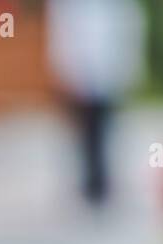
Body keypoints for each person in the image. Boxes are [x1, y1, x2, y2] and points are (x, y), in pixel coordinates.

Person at [45, 0, 147, 205]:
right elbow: (63, 35)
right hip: (82, 77)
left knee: (107, 131)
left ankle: (102, 182)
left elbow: (128, 32)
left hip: (107, 76)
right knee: (85, 133)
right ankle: (91, 183)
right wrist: (65, 73)